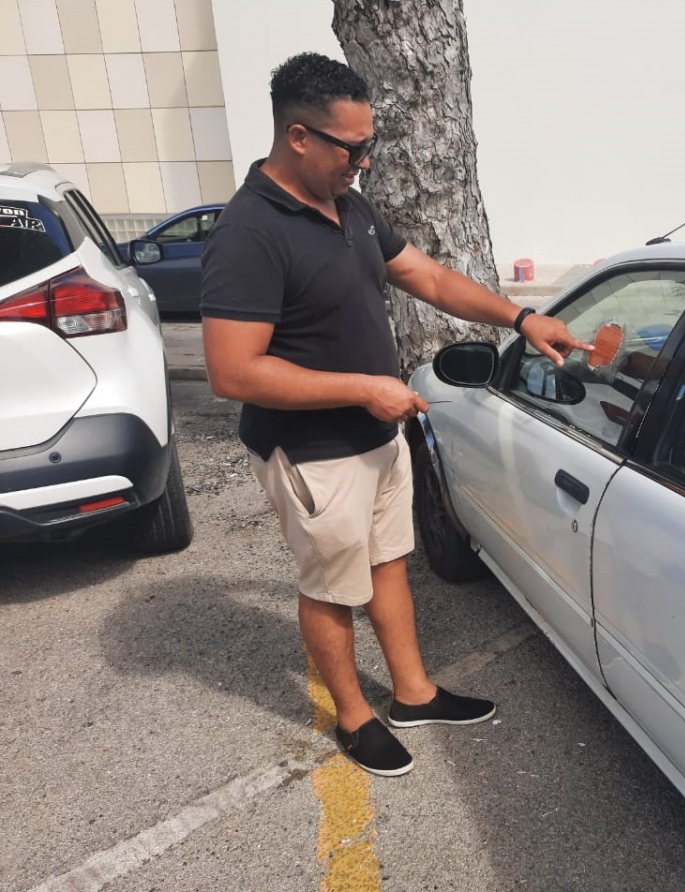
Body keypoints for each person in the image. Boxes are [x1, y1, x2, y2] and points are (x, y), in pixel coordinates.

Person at [200, 52, 589, 777]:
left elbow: (429, 277)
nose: (365, 161)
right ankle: (354, 717)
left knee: (388, 567)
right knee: (330, 585)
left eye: (369, 145)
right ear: (299, 137)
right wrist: (361, 387)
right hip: (313, 451)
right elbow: (233, 370)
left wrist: (522, 318)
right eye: (353, 148)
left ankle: (413, 693)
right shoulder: (249, 231)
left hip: (376, 434)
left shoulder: (350, 206)